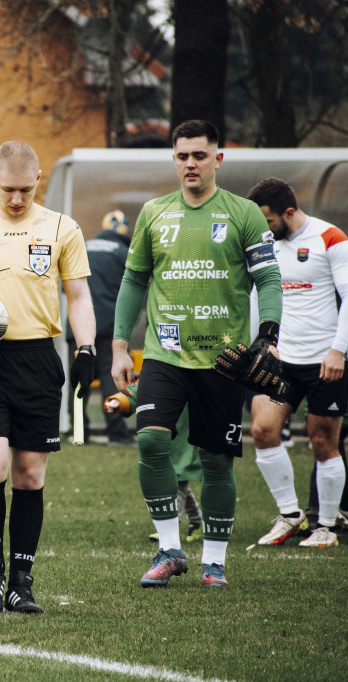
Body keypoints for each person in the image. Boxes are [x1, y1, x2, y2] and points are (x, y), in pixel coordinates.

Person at [111, 120, 284, 590]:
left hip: (224, 358)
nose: (190, 163)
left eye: (200, 155)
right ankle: (169, 550)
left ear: (217, 159)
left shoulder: (244, 213)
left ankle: (213, 562)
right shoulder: (153, 212)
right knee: (150, 442)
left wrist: (267, 336)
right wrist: (120, 346)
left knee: (215, 462)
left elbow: (268, 280)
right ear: (174, 159)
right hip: (165, 355)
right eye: (183, 156)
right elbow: (133, 281)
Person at [0, 140, 96, 615]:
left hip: (38, 360)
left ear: (38, 180)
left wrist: (85, 346)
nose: (17, 199)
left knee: (29, 476)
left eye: (26, 189)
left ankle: (22, 582)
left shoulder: (62, 228)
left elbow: (79, 296)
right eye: (8, 189)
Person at [245, 178, 347, 548]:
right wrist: (259, 342)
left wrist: (339, 349)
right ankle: (290, 516)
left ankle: (326, 527)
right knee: (263, 430)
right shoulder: (264, 243)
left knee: (323, 443)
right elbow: (257, 292)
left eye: (268, 220)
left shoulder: (331, 238)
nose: (264, 228)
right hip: (279, 360)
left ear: (289, 212)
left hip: (324, 361)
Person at [66, 210, 134, 445]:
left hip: (77, 325)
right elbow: (133, 291)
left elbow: (67, 287)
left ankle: (78, 433)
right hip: (109, 326)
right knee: (109, 379)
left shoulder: (82, 247)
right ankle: (116, 433)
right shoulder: (123, 253)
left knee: (78, 379)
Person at [103, 386, 203, 543]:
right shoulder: (162, 370)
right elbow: (144, 387)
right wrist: (120, 401)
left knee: (178, 482)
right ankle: (197, 521)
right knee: (177, 483)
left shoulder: (196, 374)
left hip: (185, 441)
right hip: (163, 438)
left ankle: (170, 529)